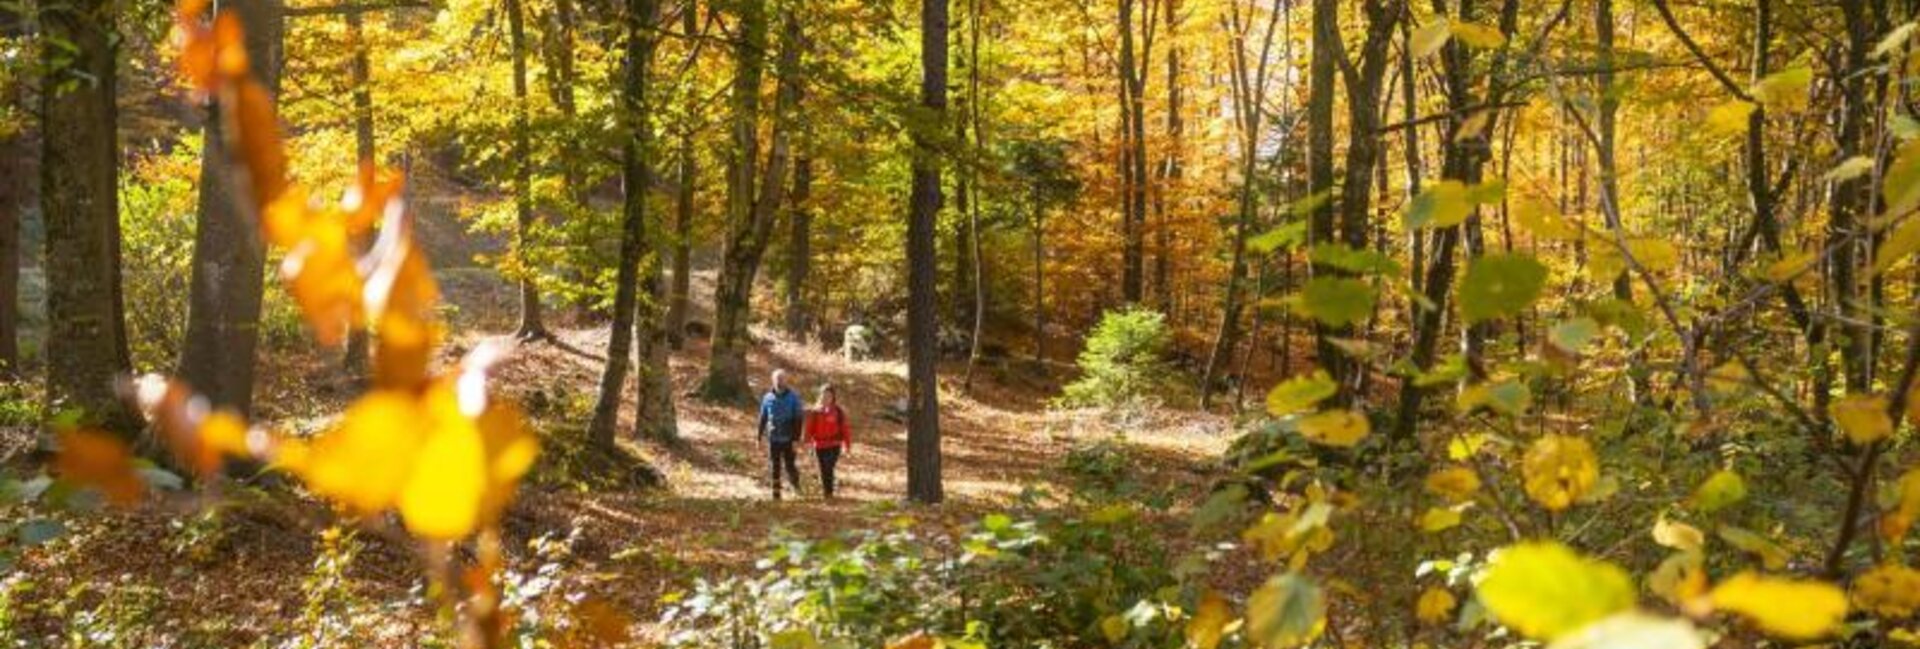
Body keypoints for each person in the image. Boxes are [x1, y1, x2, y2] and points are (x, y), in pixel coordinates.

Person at [757, 369, 806, 500]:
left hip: (789, 438)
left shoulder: (794, 397)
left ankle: (796, 487)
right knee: (774, 466)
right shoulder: (767, 397)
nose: (779, 381)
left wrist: (796, 439)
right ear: (773, 381)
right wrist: (759, 437)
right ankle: (776, 494)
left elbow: (798, 419)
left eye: (782, 379)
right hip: (773, 438)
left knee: (790, 465)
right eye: (777, 379)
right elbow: (763, 417)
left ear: (786, 380)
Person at [801, 384, 852, 498]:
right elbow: (809, 428)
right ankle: (827, 493)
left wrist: (847, 446)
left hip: (834, 445)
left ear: (833, 397)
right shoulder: (815, 411)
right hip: (819, 445)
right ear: (820, 396)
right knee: (822, 470)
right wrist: (806, 442)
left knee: (829, 467)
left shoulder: (838, 411)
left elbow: (845, 429)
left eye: (829, 395)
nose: (826, 397)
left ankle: (829, 492)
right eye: (824, 395)